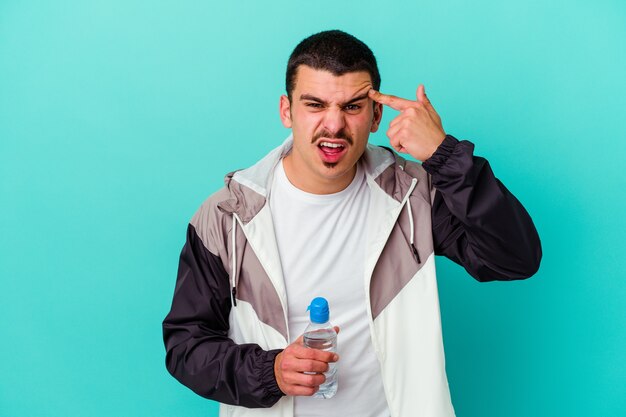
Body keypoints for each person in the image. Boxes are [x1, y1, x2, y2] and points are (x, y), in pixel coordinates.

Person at [162, 30, 542, 417]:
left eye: (352, 107)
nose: (334, 125)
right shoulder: (227, 215)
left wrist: (446, 157)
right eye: (315, 104)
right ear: (286, 110)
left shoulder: (414, 196)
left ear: (376, 115)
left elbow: (514, 258)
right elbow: (186, 346)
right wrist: (269, 372)